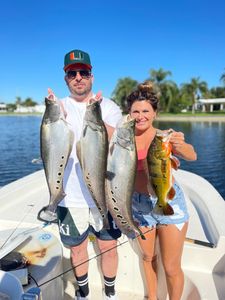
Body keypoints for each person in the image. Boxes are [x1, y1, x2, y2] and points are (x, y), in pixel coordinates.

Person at [56, 49, 122, 300]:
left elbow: (119, 139)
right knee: (77, 251)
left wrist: (94, 115)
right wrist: (53, 114)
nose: (78, 77)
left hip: (105, 195)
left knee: (108, 246)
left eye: (84, 72)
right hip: (69, 198)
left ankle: (110, 292)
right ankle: (83, 293)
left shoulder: (108, 106)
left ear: (92, 76)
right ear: (66, 79)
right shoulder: (60, 107)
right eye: (73, 73)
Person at [126, 81, 197, 300]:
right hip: (139, 205)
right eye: (135, 111)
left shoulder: (163, 137)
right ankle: (152, 297)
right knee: (147, 256)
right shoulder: (124, 138)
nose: (140, 116)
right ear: (129, 114)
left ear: (155, 113)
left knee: (171, 266)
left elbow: (191, 155)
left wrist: (180, 144)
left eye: (146, 111)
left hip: (168, 200)